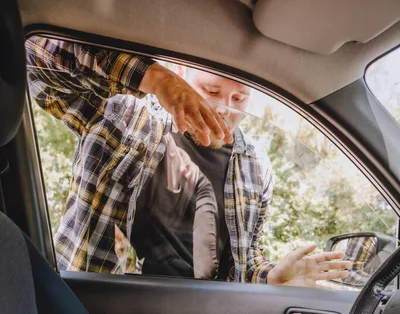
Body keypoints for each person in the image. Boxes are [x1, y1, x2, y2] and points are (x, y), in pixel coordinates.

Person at [26, 36, 351, 285]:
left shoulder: (257, 166)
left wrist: (270, 278)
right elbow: (36, 54)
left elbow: (244, 260)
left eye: (239, 98)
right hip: (96, 307)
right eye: (211, 91)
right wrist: (156, 79)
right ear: (181, 73)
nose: (225, 108)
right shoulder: (120, 115)